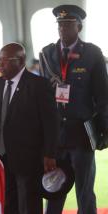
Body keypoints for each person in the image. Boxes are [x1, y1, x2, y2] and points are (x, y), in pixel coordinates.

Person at [39, 5, 108, 214]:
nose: (63, 29)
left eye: (68, 24)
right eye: (60, 24)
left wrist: (105, 130)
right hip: (54, 136)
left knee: (84, 192)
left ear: (78, 26)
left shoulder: (92, 53)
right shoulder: (47, 53)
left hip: (81, 134)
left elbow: (103, 95)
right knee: (53, 190)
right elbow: (42, 98)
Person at [0, 43, 59, 214]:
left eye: (5, 60)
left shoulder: (39, 85)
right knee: (7, 205)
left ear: (21, 60)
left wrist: (50, 154)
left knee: (28, 205)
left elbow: (51, 123)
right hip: (0, 158)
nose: (0, 64)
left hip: (28, 160)